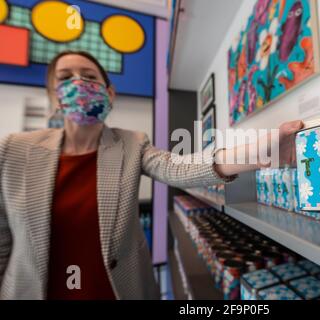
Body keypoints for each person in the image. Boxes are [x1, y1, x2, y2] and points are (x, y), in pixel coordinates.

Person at [0, 51, 303, 300]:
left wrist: (265, 150)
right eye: (65, 77)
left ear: (109, 92)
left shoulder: (132, 142)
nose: (78, 83)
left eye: (89, 76)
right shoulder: (13, 149)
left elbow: (180, 168)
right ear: (53, 94)